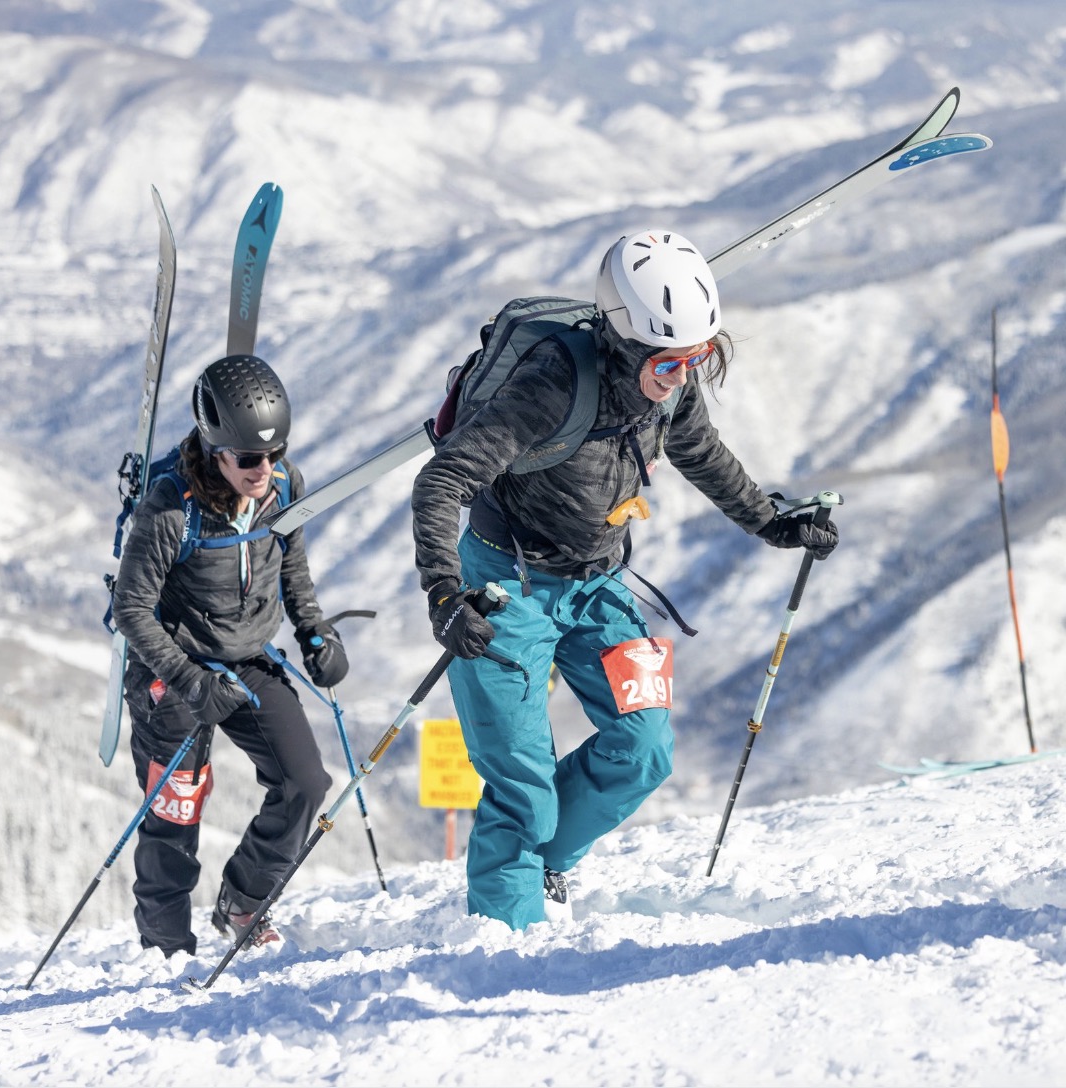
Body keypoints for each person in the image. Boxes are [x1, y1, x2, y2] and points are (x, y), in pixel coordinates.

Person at [411, 229, 838, 930]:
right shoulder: (550, 386)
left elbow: (701, 451)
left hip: (598, 585)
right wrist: (444, 592)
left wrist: (771, 522)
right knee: (521, 786)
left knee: (645, 749)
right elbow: (443, 479)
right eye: (670, 362)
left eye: (699, 357)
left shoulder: (668, 390)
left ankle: (546, 860)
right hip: (504, 587)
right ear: (624, 340)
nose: (684, 376)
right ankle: (504, 949)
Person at [112, 354, 347, 957]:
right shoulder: (172, 507)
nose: (264, 469)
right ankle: (165, 949)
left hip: (247, 659)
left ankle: (244, 900)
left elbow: (292, 565)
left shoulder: (284, 485)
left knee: (305, 783)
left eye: (275, 452)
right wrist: (189, 680)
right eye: (248, 458)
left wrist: (315, 631)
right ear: (215, 450)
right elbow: (131, 610)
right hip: (175, 668)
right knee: (176, 813)